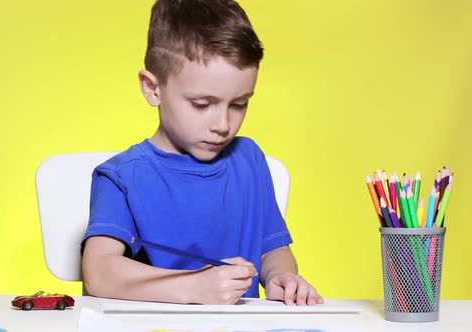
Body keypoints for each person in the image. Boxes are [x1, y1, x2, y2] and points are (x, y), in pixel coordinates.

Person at [81, 0, 323, 306]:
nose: (222, 125)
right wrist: (196, 288)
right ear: (153, 88)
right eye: (201, 104)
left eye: (239, 104)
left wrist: (280, 279)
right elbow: (99, 272)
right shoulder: (121, 177)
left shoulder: (249, 160)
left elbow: (272, 249)